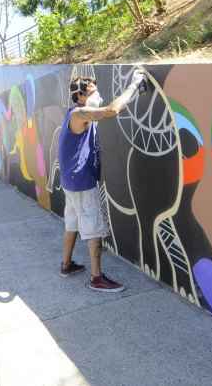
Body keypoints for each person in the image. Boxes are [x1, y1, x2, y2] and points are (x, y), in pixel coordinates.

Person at [59, 70, 146, 292]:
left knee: (72, 223)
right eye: (92, 92)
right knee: (94, 229)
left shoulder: (77, 113)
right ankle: (97, 279)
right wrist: (135, 84)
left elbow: (108, 109)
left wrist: (132, 94)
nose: (97, 95)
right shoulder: (80, 114)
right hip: (81, 182)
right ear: (79, 96)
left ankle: (66, 265)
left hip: (71, 181)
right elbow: (112, 110)